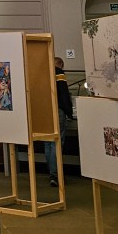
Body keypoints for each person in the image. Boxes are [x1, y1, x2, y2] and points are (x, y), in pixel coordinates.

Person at [45, 57, 74, 188]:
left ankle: (51, 173)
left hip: (44, 111)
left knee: (48, 142)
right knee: (56, 143)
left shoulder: (42, 73)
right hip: (58, 110)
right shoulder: (59, 73)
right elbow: (63, 94)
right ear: (61, 65)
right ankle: (55, 175)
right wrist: (69, 112)